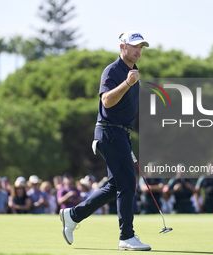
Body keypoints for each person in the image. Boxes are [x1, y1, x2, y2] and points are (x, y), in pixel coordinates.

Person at [59, 31, 151, 251]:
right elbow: (107, 101)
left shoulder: (133, 71)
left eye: (141, 47)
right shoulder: (113, 70)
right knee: (128, 182)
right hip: (109, 132)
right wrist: (127, 84)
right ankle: (126, 236)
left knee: (116, 185)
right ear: (122, 47)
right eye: (134, 46)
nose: (139, 50)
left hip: (121, 134)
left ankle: (72, 215)